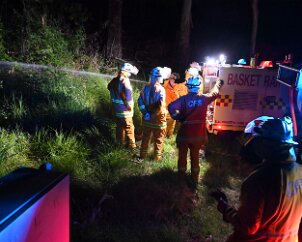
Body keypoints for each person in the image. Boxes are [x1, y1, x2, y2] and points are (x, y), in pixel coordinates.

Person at [211, 116, 302, 242]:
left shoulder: (259, 180)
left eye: (258, 140)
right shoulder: (299, 171)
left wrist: (225, 209)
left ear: (267, 145)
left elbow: (249, 226)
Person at [168, 77, 223, 183]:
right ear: (198, 87)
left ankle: (181, 177)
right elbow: (214, 93)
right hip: (197, 137)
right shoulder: (203, 98)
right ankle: (194, 179)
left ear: (188, 87)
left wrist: (178, 117)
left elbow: (171, 107)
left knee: (182, 156)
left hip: (184, 135)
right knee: (195, 157)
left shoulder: (183, 99)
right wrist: (218, 83)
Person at [137, 67, 171, 161]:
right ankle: (157, 158)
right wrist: (153, 115)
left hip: (147, 120)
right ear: (159, 77)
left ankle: (142, 156)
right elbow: (160, 105)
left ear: (151, 76)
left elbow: (140, 102)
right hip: (158, 121)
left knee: (145, 138)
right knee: (158, 140)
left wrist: (146, 113)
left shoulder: (145, 87)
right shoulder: (161, 89)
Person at [107, 63, 138, 149]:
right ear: (125, 71)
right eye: (129, 72)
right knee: (129, 128)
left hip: (117, 110)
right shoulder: (125, 81)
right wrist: (128, 106)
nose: (130, 74)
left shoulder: (114, 80)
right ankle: (132, 147)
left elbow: (108, 87)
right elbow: (128, 95)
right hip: (125, 111)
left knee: (119, 128)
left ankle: (119, 145)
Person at [164, 72, 181, 138]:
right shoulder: (166, 85)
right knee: (164, 129)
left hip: (172, 112)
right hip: (165, 111)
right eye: (170, 78)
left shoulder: (177, 88)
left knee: (171, 128)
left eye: (173, 78)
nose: (171, 79)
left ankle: (169, 138)